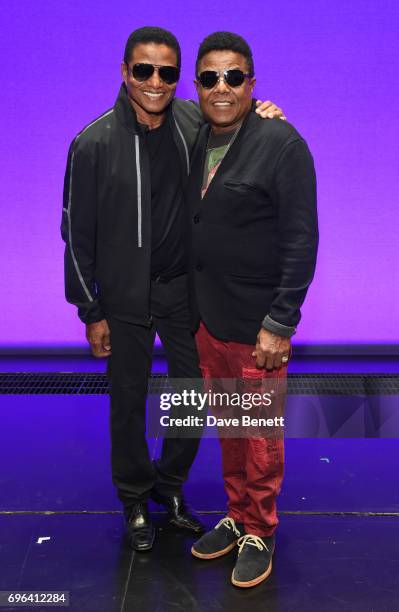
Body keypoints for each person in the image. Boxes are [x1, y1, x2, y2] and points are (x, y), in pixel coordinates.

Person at [61, 26, 285, 553]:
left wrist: (265, 116)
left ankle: (170, 487)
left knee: (191, 396)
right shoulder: (92, 143)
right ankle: (135, 497)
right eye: (144, 70)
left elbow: (237, 121)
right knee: (129, 401)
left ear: (178, 78)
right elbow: (74, 236)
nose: (155, 82)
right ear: (124, 72)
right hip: (122, 299)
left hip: (184, 293)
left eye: (167, 72)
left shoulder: (192, 120)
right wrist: (89, 309)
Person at [188, 32, 318, 587]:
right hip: (206, 319)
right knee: (230, 429)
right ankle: (238, 515)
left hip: (257, 324)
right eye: (211, 78)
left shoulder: (282, 143)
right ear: (196, 86)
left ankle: (260, 530)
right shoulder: (191, 138)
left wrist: (280, 322)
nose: (223, 87)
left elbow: (300, 239)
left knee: (259, 435)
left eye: (234, 77)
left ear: (252, 83)